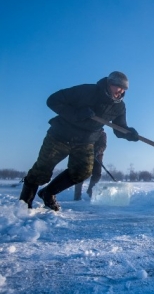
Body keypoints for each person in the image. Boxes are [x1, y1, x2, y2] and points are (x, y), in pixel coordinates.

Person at [19, 71, 139, 211]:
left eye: (124, 89)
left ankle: (48, 193)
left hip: (85, 142)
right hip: (59, 136)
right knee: (41, 171)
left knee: (82, 172)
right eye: (118, 86)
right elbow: (52, 100)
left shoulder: (119, 107)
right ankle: (23, 205)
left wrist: (129, 134)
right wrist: (77, 113)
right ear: (109, 84)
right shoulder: (86, 91)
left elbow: (119, 129)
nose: (121, 91)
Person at [73, 130, 107, 200]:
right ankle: (77, 195)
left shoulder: (102, 134)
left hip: (97, 157)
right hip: (84, 156)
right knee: (80, 175)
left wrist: (97, 151)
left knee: (97, 174)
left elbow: (103, 145)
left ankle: (90, 190)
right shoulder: (86, 130)